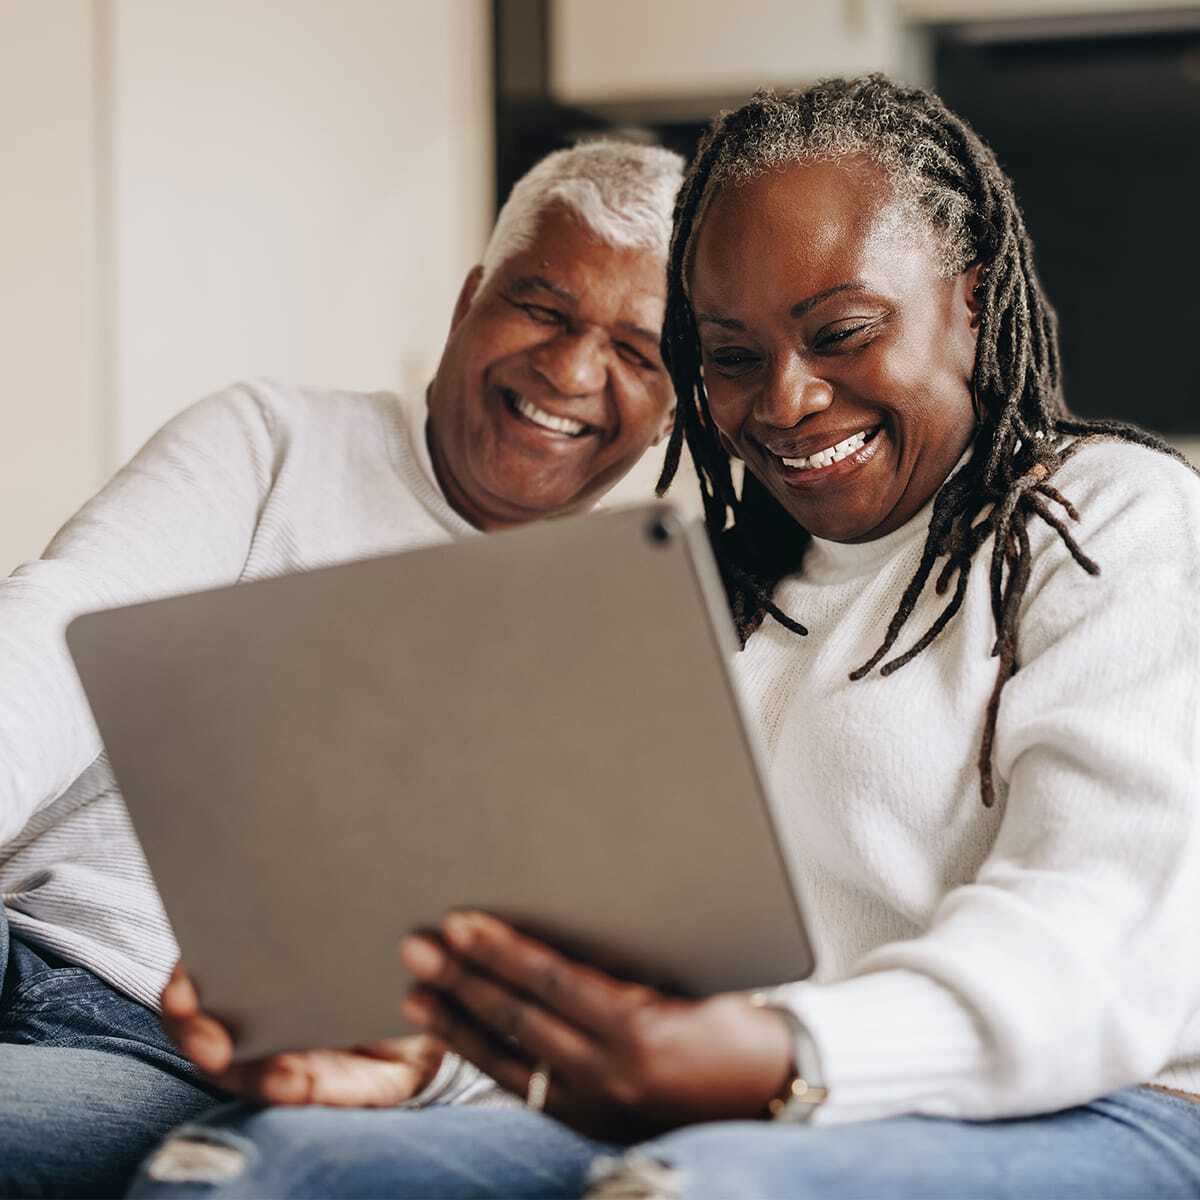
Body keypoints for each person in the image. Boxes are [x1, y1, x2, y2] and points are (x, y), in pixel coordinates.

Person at [129, 76, 1200, 1200]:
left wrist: (776, 1057)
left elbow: (1101, 945)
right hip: (735, 1110)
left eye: (840, 333)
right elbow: (609, 979)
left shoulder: (1105, 522)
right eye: (730, 356)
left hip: (1105, 1111)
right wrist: (426, 1057)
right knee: (244, 1169)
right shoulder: (694, 580)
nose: (784, 402)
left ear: (972, 301)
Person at [0, 138, 683, 1199]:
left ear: (674, 403)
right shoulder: (273, 442)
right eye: (544, 308)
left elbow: (537, 1012)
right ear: (470, 302)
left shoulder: (632, 635)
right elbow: (57, 628)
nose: (571, 371)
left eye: (638, 352)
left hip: (167, 1050)